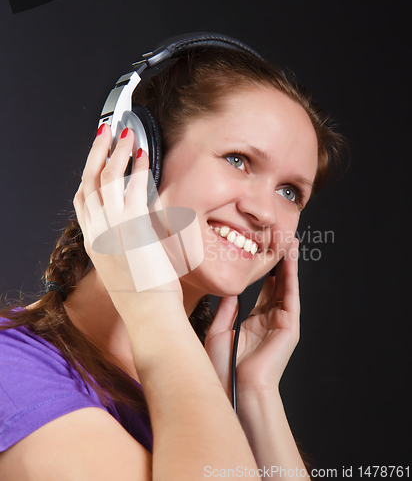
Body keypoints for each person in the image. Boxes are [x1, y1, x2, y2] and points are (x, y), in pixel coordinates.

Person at [0, 43, 344, 480]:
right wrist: (150, 304)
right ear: (137, 155)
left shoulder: (200, 392)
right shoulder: (10, 375)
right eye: (238, 160)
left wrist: (255, 396)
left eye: (291, 192)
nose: (266, 213)